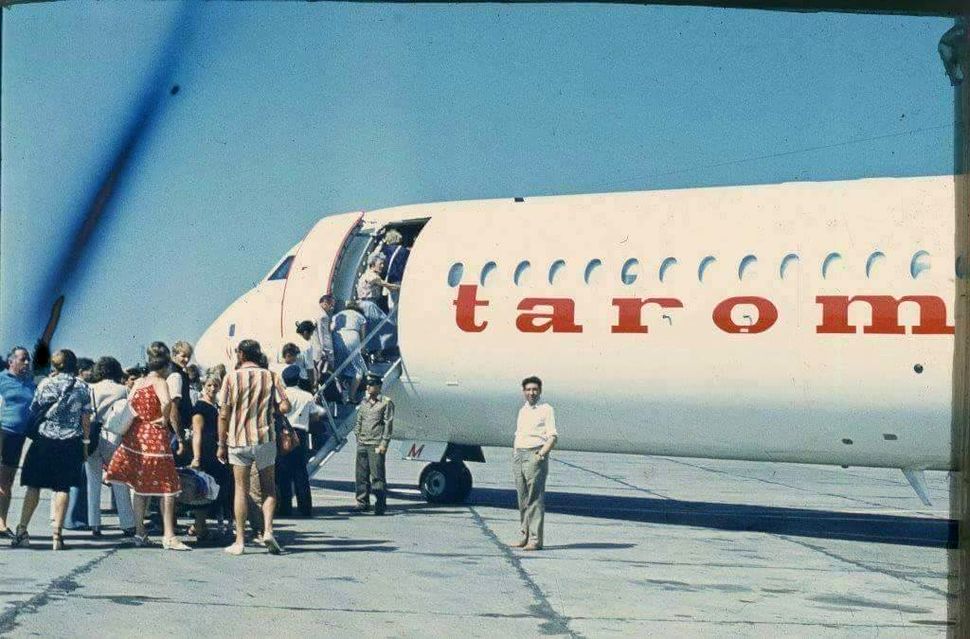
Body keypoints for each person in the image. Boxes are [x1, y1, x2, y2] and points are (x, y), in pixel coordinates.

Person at [105, 342, 190, 551]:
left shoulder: (139, 382)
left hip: (135, 437)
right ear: (165, 366)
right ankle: (169, 535)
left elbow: (130, 405)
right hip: (155, 437)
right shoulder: (160, 382)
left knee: (140, 487)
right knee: (168, 488)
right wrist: (164, 418)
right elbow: (167, 402)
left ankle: (140, 532)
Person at [11, 349, 92, 550]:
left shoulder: (46, 383)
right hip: (70, 442)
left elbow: (34, 409)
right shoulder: (83, 387)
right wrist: (85, 444)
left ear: (55, 365)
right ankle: (57, 535)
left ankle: (22, 530)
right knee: (63, 488)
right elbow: (86, 419)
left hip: (44, 441)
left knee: (33, 486)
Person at [217, 339, 290, 555]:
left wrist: (221, 443)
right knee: (269, 488)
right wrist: (272, 408)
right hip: (265, 438)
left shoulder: (230, 378)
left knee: (241, 489)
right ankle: (267, 530)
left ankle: (240, 541)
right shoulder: (271, 376)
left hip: (238, 439)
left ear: (240, 354)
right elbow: (285, 406)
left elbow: (223, 414)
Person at [86, 356, 136, 537]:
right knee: (119, 479)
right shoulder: (123, 390)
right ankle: (127, 523)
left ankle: (94, 523)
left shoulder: (90, 388)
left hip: (92, 436)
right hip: (113, 435)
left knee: (93, 481)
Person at [510, 376, 557, 552]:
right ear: (524, 391)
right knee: (522, 498)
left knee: (534, 498)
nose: (532, 392)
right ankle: (524, 536)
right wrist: (515, 452)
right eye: (528, 389)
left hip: (534, 454)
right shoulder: (523, 410)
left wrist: (540, 455)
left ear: (540, 391)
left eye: (535, 389)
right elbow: (519, 433)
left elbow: (553, 436)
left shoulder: (546, 409)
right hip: (519, 455)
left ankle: (535, 540)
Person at [277, 365, 324, 518]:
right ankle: (305, 508)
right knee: (300, 473)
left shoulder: (281, 395)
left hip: (283, 434)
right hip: (300, 434)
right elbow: (315, 417)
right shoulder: (307, 396)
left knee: (283, 473)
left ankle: (285, 508)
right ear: (298, 379)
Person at [189, 373, 231, 541]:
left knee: (215, 488)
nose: (212, 388)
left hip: (216, 450)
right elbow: (197, 433)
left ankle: (200, 525)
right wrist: (196, 457)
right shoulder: (200, 407)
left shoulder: (216, 406)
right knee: (204, 490)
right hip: (206, 451)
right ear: (203, 387)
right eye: (209, 385)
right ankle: (199, 526)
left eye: (215, 385)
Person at [0, 347, 36, 536]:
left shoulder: (30, 383)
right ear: (11, 361)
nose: (27, 362)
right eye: (23, 359)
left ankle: (1, 524)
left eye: (28, 359)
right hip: (2, 432)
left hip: (18, 436)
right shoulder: (2, 379)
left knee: (7, 480)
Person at [353, 374, 394, 516]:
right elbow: (359, 421)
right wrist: (358, 436)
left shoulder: (386, 403)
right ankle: (362, 502)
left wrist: (384, 443)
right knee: (361, 475)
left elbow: (388, 424)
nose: (368, 387)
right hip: (363, 443)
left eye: (371, 384)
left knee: (377, 476)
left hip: (376, 444)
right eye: (367, 384)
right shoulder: (364, 402)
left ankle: (380, 504)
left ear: (379, 386)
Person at [356, 255, 398, 356]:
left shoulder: (366, 275)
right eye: (380, 264)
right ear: (373, 264)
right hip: (369, 305)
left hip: (364, 305)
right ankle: (378, 352)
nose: (382, 266)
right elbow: (389, 286)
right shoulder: (373, 276)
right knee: (390, 326)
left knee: (372, 331)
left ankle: (374, 353)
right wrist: (401, 286)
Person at [166, 341, 194, 463]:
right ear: (174, 355)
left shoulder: (179, 373)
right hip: (173, 431)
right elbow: (173, 408)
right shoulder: (175, 375)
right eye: (183, 356)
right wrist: (180, 438)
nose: (186, 360)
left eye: (188, 357)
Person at [376, 230, 410, 310]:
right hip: (401, 278)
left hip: (391, 279)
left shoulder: (385, 250)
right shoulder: (404, 250)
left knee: (392, 304)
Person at [294, 321, 321, 391]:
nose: (310, 337)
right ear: (305, 333)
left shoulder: (292, 339)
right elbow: (309, 369)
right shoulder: (306, 346)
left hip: (290, 378)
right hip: (302, 380)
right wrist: (312, 386)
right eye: (310, 334)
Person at [315, 294, 336, 373]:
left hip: (319, 346)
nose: (332, 308)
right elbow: (321, 332)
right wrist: (323, 347)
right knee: (329, 368)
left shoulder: (317, 312)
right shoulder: (323, 316)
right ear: (324, 304)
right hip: (326, 346)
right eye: (331, 305)